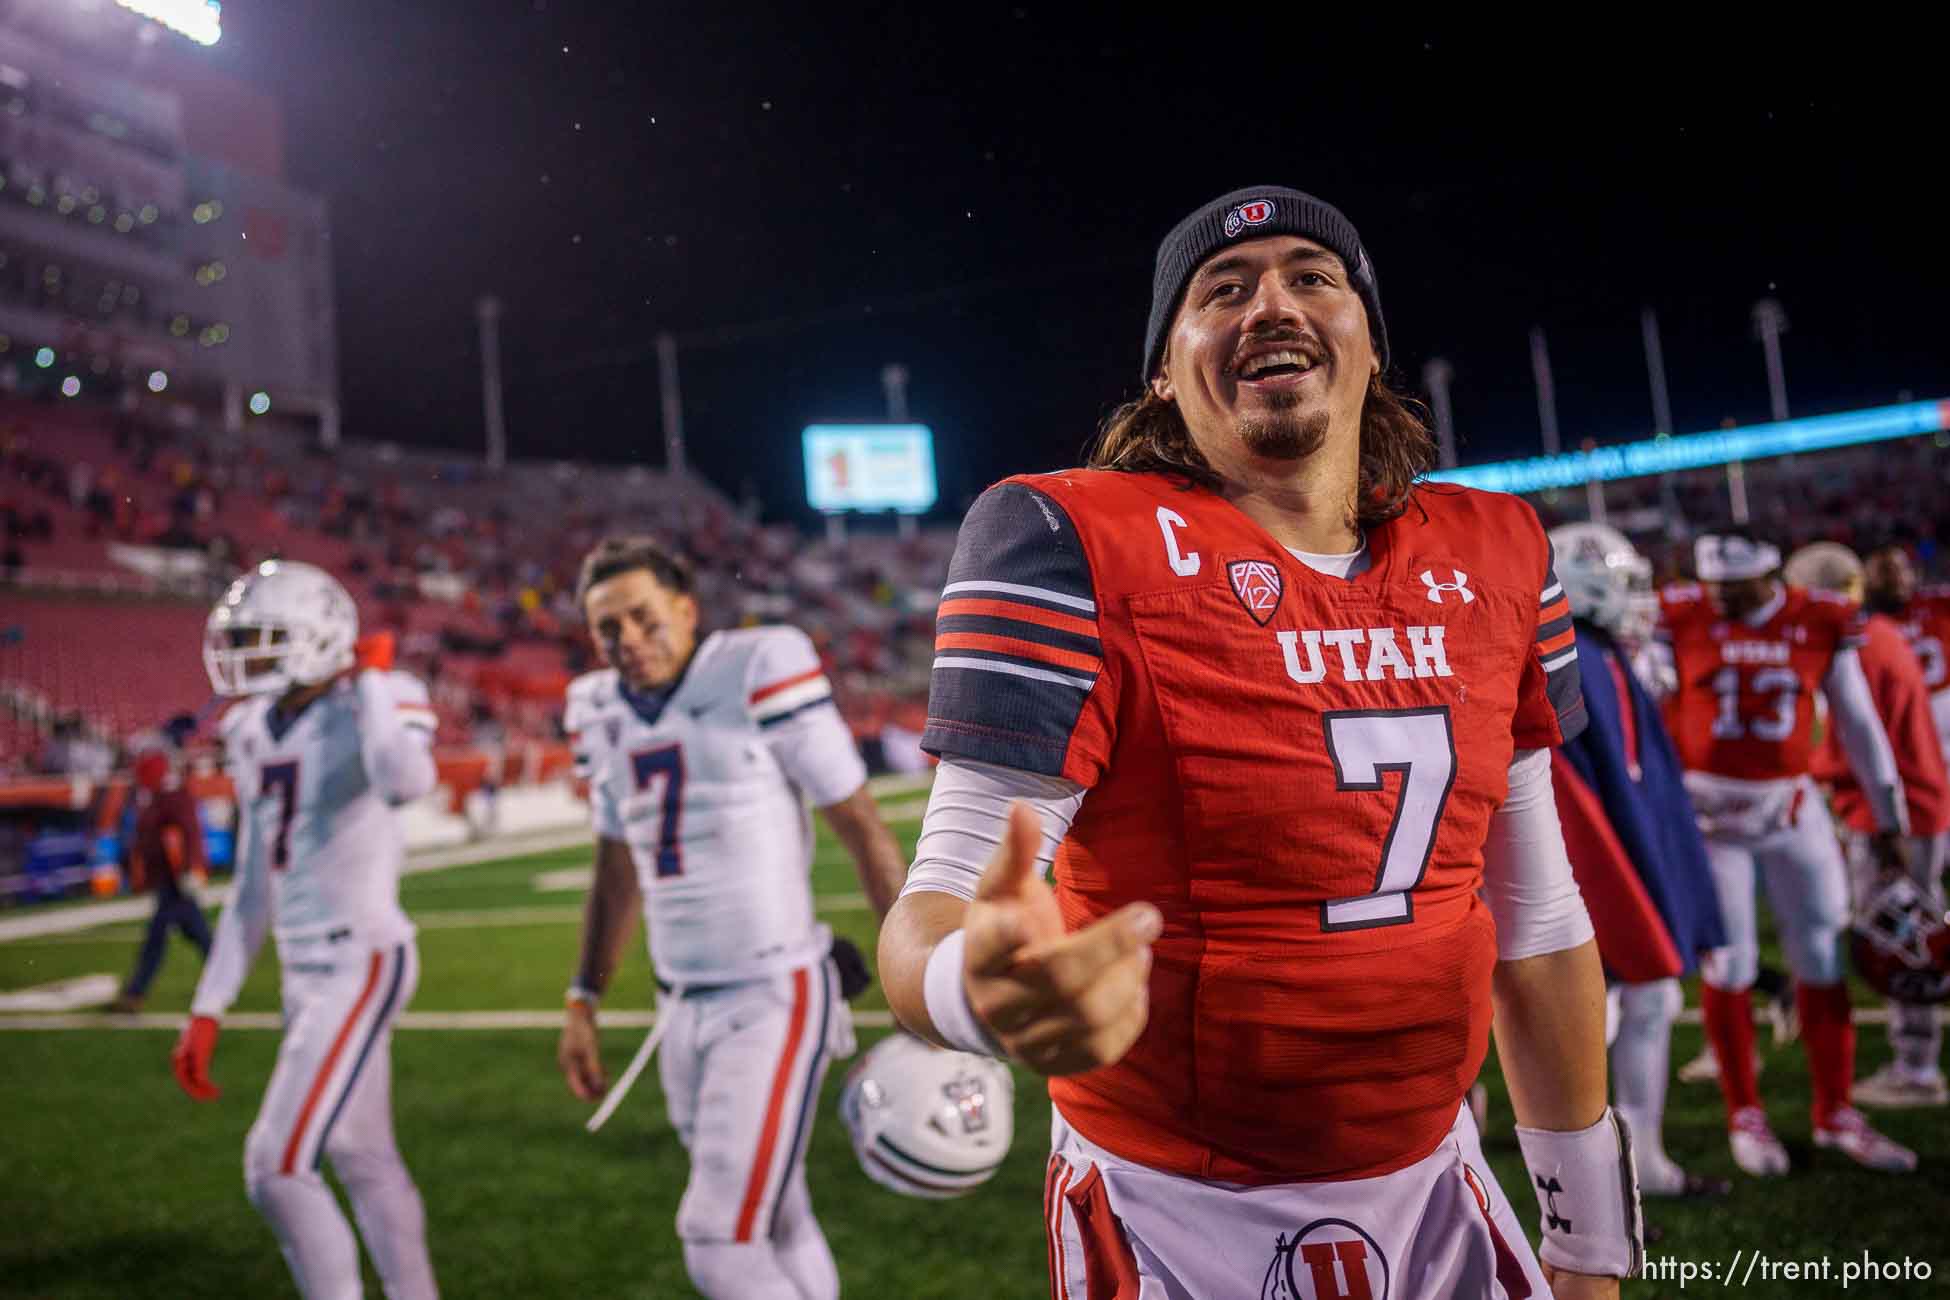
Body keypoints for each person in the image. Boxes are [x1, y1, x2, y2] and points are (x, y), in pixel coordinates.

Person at [879, 187, 1638, 1298]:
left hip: (1440, 1174)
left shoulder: (1500, 546)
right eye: (1221, 289)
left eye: (1311, 277)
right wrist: (970, 989)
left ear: (1369, 343)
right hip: (1176, 1209)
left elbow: (1538, 921)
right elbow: (935, 907)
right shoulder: (1069, 538)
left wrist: (1588, 1243)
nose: (1269, 304)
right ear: (1163, 369)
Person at [556, 537, 909, 1300]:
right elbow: (617, 869)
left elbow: (862, 826)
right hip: (677, 1005)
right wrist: (583, 997)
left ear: (686, 610)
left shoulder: (755, 668)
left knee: (716, 1241)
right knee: (780, 1216)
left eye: (643, 618)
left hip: (773, 993)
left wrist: (917, 978)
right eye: (607, 629)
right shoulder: (596, 711)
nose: (628, 641)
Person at [172, 560, 442, 1300]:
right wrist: (208, 1004)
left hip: (363, 955)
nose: (247, 655)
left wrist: (375, 688)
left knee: (277, 1166)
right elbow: (253, 886)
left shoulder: (381, 699)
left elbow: (406, 781)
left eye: (263, 639)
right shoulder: (251, 727)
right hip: (306, 970)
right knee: (363, 1155)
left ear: (321, 638)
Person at [1655, 532, 1916, 1176]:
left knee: (1823, 955)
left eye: (1736, 590)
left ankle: (1835, 1112)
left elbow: (1858, 723)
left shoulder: (1818, 618)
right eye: (1715, 588)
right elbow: (1651, 698)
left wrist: (1890, 819)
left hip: (1792, 811)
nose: (1723, 601)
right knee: (1729, 965)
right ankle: (1744, 1110)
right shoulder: (1683, 615)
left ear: (1771, 577)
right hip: (1711, 823)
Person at [1546, 522, 1729, 1201]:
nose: (1641, 600)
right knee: (1617, 1011)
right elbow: (1580, 794)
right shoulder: (1575, 659)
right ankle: (1601, 1189)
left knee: (1643, 1002)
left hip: (1601, 868)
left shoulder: (1596, 653)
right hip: (1585, 877)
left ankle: (1637, 1166)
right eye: (1625, 584)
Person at [1794, 542, 1950, 1107]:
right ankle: (1917, 1059)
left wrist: (1787, 768)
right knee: (1909, 931)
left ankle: (1918, 1067)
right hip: (1918, 804)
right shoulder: (1881, 633)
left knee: (1904, 941)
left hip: (1896, 817)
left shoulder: (1860, 645)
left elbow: (1853, 751)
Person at [111, 747, 212, 1014]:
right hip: (168, 880)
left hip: (176, 880)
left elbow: (189, 831)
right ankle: (223, 976)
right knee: (199, 934)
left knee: (157, 937)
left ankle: (135, 993)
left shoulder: (172, 797)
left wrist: (191, 867)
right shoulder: (155, 797)